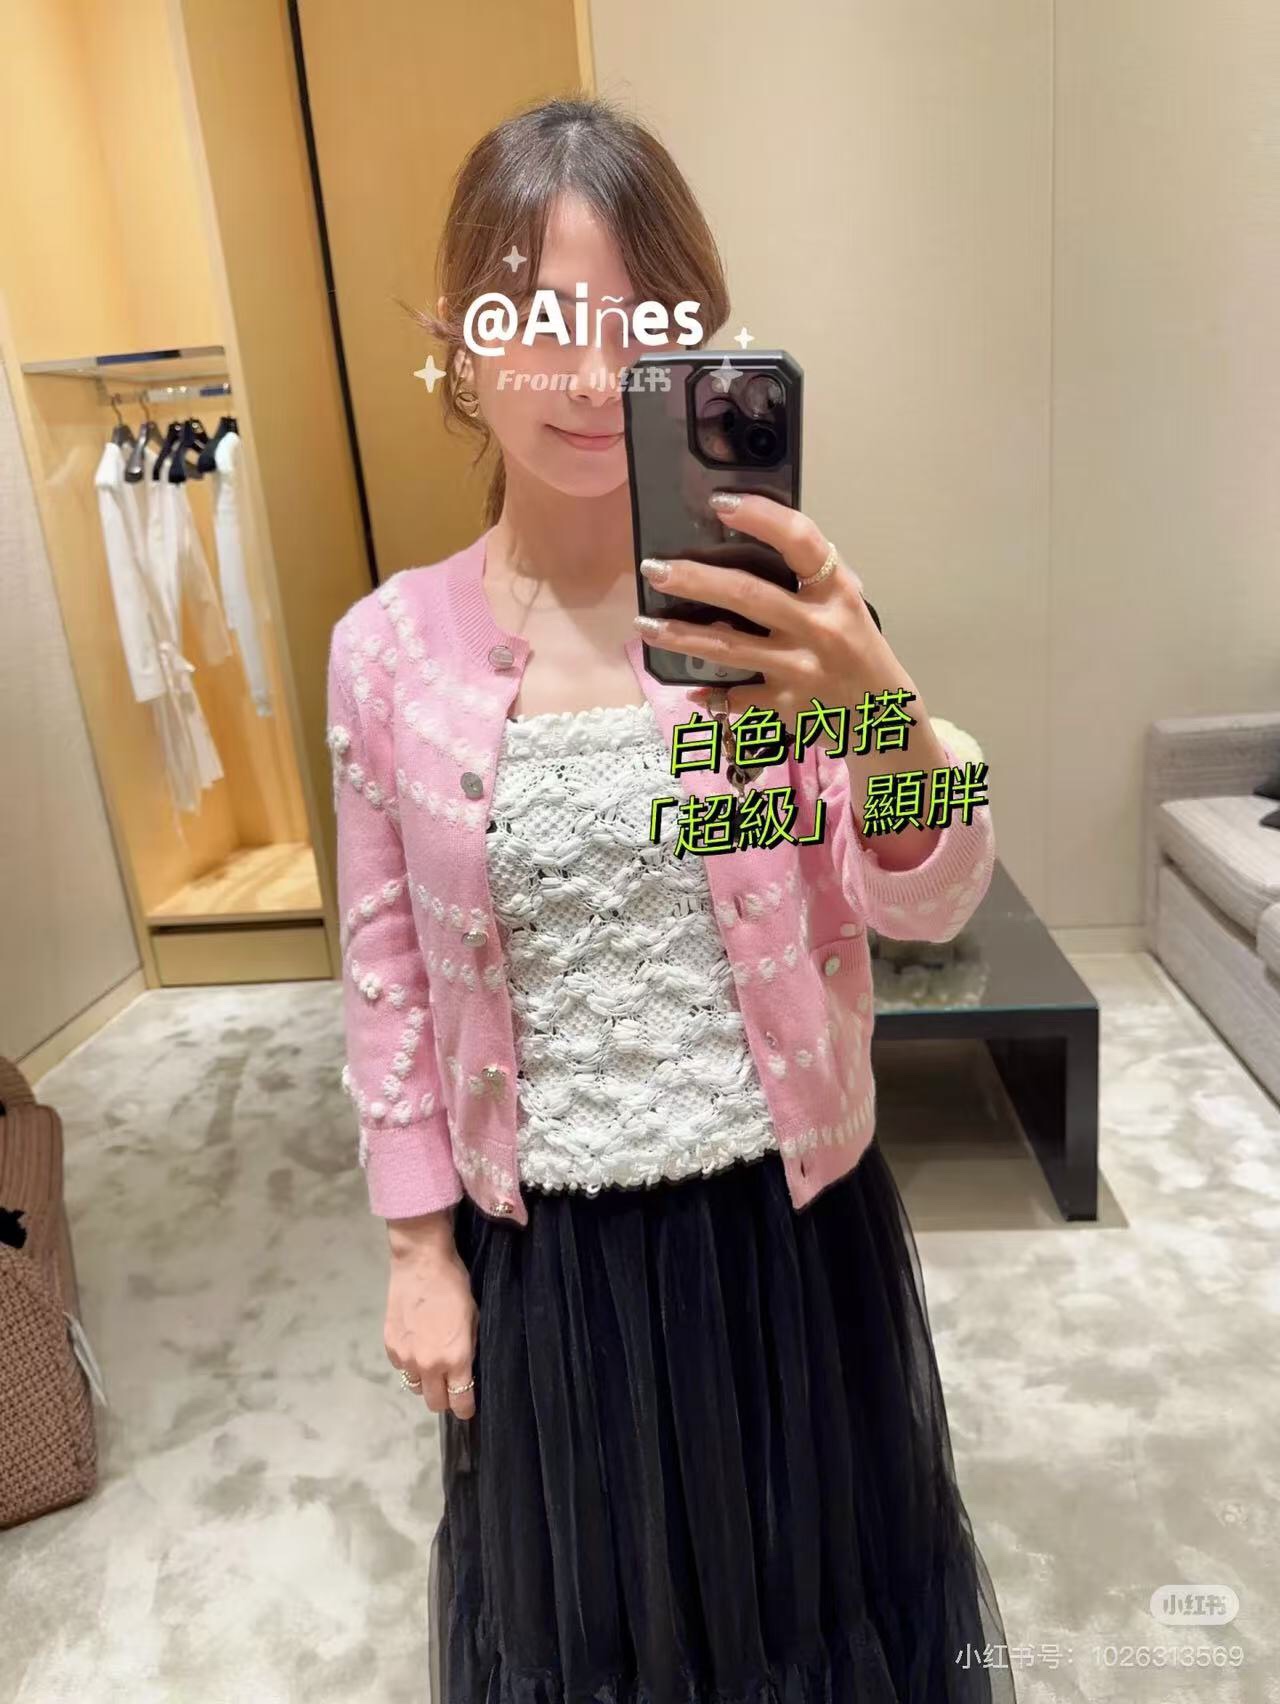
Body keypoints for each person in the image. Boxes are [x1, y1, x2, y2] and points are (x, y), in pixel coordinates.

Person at [327, 93, 1016, 1704]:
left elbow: (933, 900)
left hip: (787, 1232)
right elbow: (384, 970)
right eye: (542, 320)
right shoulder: (391, 652)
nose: (591, 374)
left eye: (643, 325)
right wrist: (416, 1250)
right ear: (462, 342)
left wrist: (881, 701)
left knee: (811, 1629)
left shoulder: (778, 613)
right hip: (547, 1264)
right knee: (593, 1644)